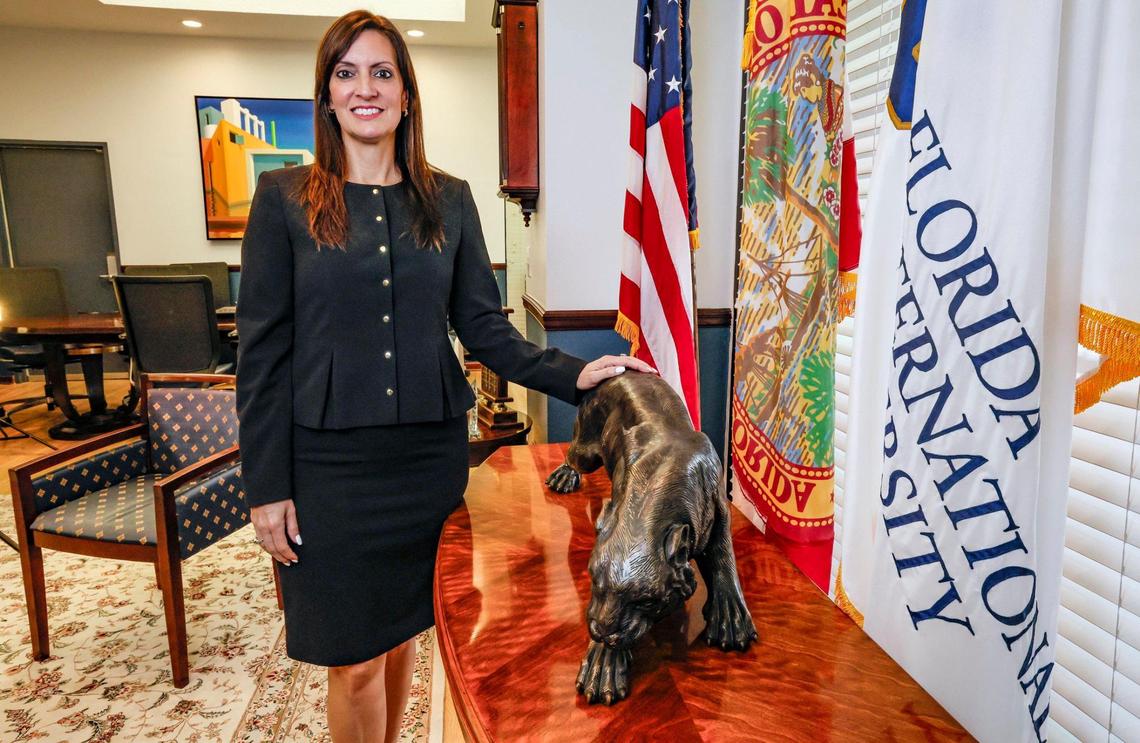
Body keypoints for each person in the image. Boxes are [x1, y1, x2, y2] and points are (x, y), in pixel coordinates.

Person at [236, 10, 654, 743]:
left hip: (426, 465)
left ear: (406, 95)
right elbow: (261, 356)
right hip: (328, 472)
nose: (365, 88)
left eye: (382, 72)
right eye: (347, 73)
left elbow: (485, 326)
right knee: (353, 661)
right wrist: (266, 486)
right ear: (327, 95)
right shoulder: (284, 200)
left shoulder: (450, 198)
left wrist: (576, 372)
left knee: (401, 637)